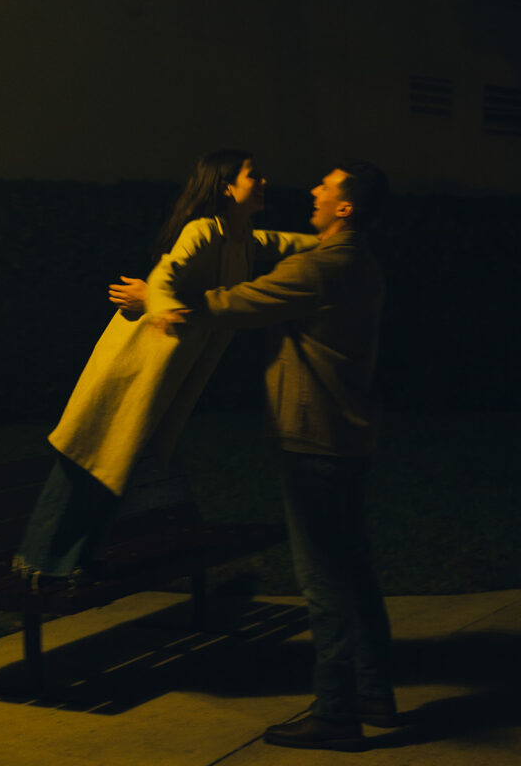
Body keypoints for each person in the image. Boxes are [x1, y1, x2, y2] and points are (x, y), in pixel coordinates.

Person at [153, 158, 395, 752]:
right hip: (347, 435)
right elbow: (266, 248)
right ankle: (374, 693)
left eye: (327, 186)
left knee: (324, 581)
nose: (312, 189)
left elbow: (237, 303)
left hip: (313, 436)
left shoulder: (323, 267)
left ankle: (336, 713)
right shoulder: (359, 260)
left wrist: (156, 296)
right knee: (355, 571)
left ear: (345, 208)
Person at [12, 149, 318, 586]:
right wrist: (164, 307)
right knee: (91, 452)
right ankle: (38, 561)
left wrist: (332, 242)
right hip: (135, 362)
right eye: (255, 175)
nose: (265, 181)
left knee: (119, 461)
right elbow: (166, 274)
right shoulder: (202, 230)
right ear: (227, 186)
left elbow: (284, 243)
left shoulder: (243, 239)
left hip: (165, 369)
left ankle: (72, 560)